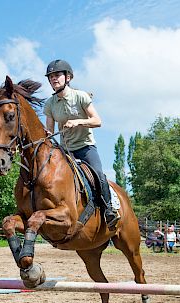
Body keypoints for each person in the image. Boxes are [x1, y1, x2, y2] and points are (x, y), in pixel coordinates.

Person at [43, 59, 120, 229]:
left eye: (57, 75)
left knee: (99, 174)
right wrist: (45, 135)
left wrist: (77, 122)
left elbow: (97, 121)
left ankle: (109, 210)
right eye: (50, 77)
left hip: (85, 147)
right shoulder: (50, 104)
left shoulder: (80, 96)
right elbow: (49, 130)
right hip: (66, 150)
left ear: (68, 77)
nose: (53, 79)